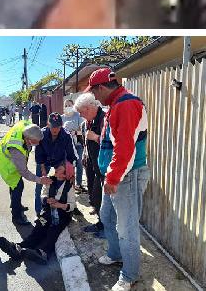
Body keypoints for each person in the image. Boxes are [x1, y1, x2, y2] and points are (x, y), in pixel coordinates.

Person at [87, 68, 150, 291]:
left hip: (126, 176)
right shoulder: (116, 104)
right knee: (106, 215)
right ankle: (116, 254)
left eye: (94, 92)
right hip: (117, 175)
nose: (94, 97)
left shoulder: (125, 104)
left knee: (127, 228)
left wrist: (113, 178)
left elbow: (125, 148)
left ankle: (130, 275)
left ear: (101, 87)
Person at [0, 163, 76, 264]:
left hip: (62, 214)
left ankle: (43, 252)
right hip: (48, 210)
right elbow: (43, 195)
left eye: (60, 169)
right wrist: (47, 200)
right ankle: (20, 247)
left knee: (53, 229)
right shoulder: (49, 180)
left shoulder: (69, 186)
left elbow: (72, 205)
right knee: (40, 225)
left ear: (65, 174)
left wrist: (60, 205)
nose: (56, 169)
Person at [0, 121, 53, 225]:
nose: (38, 144)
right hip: (6, 163)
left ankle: (15, 205)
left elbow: (24, 122)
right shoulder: (17, 149)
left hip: (9, 156)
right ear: (28, 139)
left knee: (16, 185)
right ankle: (16, 216)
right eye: (35, 141)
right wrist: (40, 180)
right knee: (17, 186)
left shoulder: (27, 127)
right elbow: (24, 172)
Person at [75, 92, 107, 237]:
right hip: (92, 163)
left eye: (82, 112)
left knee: (100, 196)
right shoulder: (88, 122)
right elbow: (86, 143)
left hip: (103, 166)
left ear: (88, 108)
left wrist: (95, 137)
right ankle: (100, 218)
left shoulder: (104, 119)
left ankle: (104, 226)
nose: (81, 115)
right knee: (94, 194)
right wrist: (85, 154)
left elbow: (113, 143)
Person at [35, 112, 77, 218]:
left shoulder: (66, 135)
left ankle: (66, 206)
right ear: (48, 124)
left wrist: (71, 172)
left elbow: (71, 156)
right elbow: (39, 155)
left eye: (58, 127)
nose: (55, 129)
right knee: (41, 183)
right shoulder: (42, 134)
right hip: (44, 160)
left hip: (59, 161)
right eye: (53, 126)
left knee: (65, 181)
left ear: (61, 125)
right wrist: (43, 171)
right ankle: (39, 211)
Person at [62, 103, 85, 191]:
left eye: (70, 105)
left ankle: (78, 184)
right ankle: (67, 184)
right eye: (66, 105)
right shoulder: (61, 117)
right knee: (67, 164)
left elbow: (83, 130)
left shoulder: (78, 116)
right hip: (66, 145)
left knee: (79, 163)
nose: (68, 107)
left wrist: (74, 132)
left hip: (78, 144)